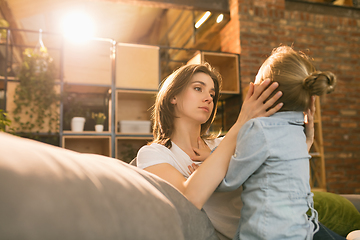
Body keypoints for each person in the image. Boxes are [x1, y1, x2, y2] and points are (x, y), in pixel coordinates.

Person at [136, 62, 283, 239]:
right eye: (198, 88)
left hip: (277, 228)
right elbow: (188, 199)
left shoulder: (224, 144)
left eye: (212, 94)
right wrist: (240, 124)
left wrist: (305, 142)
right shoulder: (154, 154)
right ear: (172, 96)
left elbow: (276, 175)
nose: (209, 98)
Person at [215, 46, 337, 240]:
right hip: (300, 232)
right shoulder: (298, 131)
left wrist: (203, 167)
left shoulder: (259, 129)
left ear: (266, 91)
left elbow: (229, 181)